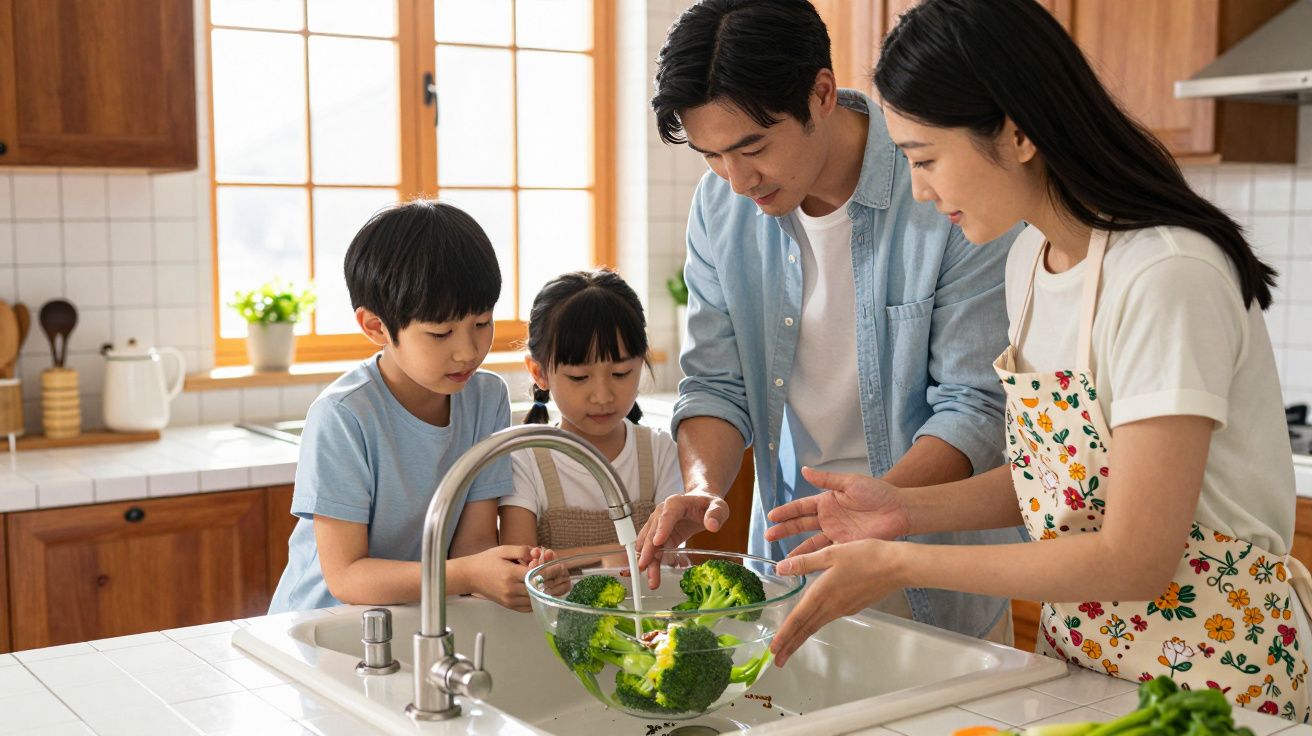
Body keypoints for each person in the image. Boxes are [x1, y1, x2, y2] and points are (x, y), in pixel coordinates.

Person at [764, 0, 1311, 720]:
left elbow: (1136, 557)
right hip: (1085, 664)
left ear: (1017, 133)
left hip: (1217, 681)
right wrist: (904, 509)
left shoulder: (1166, 275)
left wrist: (902, 561)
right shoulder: (1029, 260)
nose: (922, 192)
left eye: (926, 159)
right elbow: (1054, 482)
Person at [636, 0, 1023, 642]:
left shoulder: (944, 188)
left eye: (751, 146)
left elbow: (975, 407)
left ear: (820, 94)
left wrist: (873, 514)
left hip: (941, 572)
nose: (736, 181)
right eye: (711, 156)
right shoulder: (719, 209)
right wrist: (702, 487)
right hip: (793, 569)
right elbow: (717, 385)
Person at [269, 200, 553, 614]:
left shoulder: (486, 397)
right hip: (318, 623)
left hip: (415, 611)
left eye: (482, 323)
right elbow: (347, 575)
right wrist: (471, 574)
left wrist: (504, 572)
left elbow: (472, 546)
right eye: (440, 333)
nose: (468, 351)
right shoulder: (344, 416)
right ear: (376, 327)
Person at [499, 270, 684, 565]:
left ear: (642, 361)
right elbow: (520, 566)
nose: (602, 395)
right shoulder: (526, 461)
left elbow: (670, 557)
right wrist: (614, 555)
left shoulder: (660, 453)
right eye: (579, 377)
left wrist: (571, 559)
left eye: (620, 373)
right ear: (539, 373)